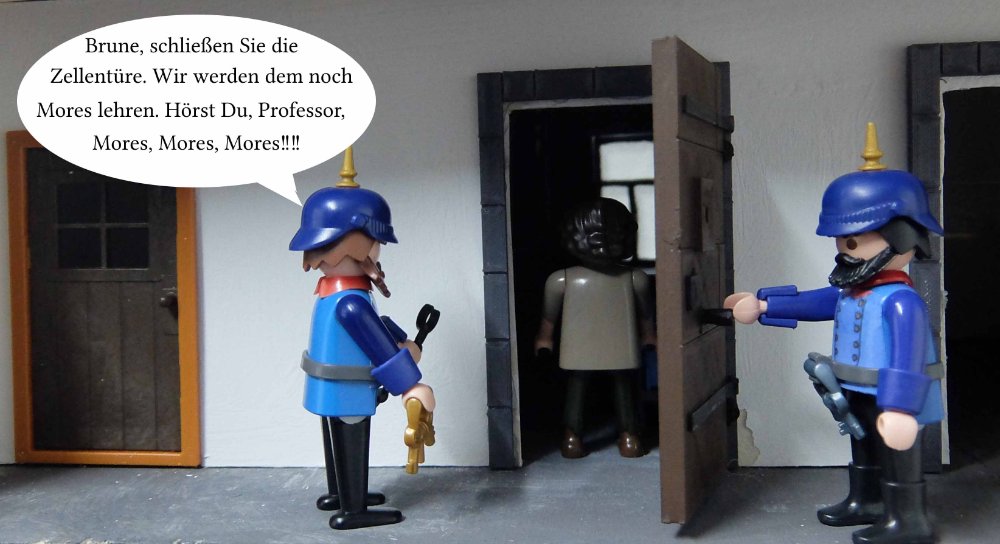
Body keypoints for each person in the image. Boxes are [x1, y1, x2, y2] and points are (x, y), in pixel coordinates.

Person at [727, 124, 942, 544]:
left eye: (854, 242)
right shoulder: (852, 291)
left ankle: (908, 518)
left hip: (893, 394)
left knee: (897, 452)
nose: (845, 251)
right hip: (854, 388)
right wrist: (765, 305)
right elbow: (817, 302)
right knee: (862, 442)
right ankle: (867, 500)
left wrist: (902, 408)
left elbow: (908, 358)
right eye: (843, 242)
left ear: (900, 237)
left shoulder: (902, 302)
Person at [289, 147, 434, 530]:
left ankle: (341, 493)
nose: (378, 251)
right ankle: (353, 510)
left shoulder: (329, 292)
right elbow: (375, 345)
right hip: (348, 388)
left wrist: (397, 337)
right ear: (357, 242)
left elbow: (373, 328)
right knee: (352, 439)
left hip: (329, 385)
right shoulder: (351, 300)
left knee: (335, 437)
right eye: (376, 242)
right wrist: (411, 381)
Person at [535, 198, 656, 459]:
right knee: (577, 387)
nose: (603, 244)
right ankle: (572, 434)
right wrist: (544, 338)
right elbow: (549, 316)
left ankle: (629, 433)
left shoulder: (634, 278)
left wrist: (649, 335)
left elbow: (646, 314)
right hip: (579, 344)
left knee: (623, 386)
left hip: (620, 342)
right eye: (595, 235)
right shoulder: (561, 280)